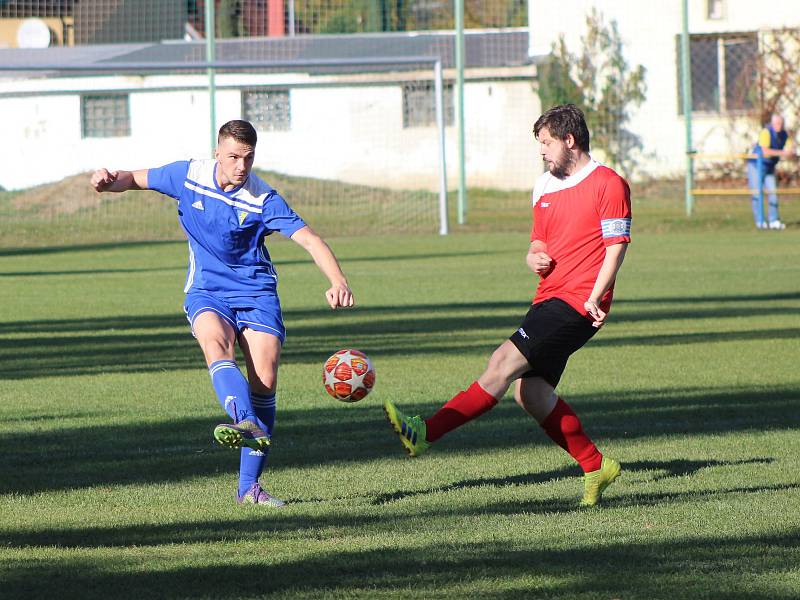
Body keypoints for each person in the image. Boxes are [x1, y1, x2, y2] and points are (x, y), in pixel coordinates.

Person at [90, 119, 354, 507]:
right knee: (217, 344)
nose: (241, 166)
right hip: (207, 291)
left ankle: (249, 489)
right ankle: (242, 419)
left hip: (256, 293)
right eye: (233, 157)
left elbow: (310, 239)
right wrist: (107, 180)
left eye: (248, 158)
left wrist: (338, 280)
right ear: (218, 152)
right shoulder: (188, 175)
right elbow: (132, 179)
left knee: (264, 380)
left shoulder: (263, 198)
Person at [383, 104, 630, 507]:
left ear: (570, 140)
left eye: (547, 143)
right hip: (548, 297)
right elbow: (539, 240)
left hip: (579, 303)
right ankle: (595, 465)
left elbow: (615, 248)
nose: (543, 153)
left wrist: (594, 296)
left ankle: (424, 432)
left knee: (501, 363)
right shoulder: (544, 186)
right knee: (531, 394)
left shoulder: (609, 184)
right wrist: (533, 255)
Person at [746, 114, 795, 230]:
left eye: (781, 123)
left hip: (769, 167)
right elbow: (765, 151)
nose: (779, 126)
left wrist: (791, 152)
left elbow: (788, 149)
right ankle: (760, 221)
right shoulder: (766, 132)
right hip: (756, 166)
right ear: (772, 124)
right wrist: (782, 153)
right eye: (777, 123)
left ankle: (773, 220)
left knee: (773, 193)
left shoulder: (784, 135)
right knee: (757, 193)